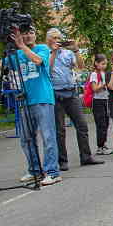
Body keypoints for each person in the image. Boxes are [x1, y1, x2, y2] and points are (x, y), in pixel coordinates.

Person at [0, 26, 61, 185]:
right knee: (26, 138)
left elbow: (38, 61)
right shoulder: (17, 54)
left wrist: (22, 46)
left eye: (31, 32)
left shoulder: (43, 48)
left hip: (42, 98)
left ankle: (53, 172)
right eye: (25, 33)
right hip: (25, 100)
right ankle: (35, 170)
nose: (28, 35)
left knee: (48, 136)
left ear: (36, 34)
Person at [46, 29, 103, 169]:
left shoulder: (67, 53)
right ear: (48, 40)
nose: (57, 40)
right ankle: (62, 161)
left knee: (82, 125)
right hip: (55, 93)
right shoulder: (45, 53)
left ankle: (86, 156)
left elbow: (81, 67)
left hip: (71, 92)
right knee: (59, 129)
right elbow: (47, 68)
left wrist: (76, 50)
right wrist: (53, 51)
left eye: (59, 37)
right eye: (54, 38)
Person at [88, 55, 111, 156]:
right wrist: (103, 85)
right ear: (96, 63)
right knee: (100, 124)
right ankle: (100, 147)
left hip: (105, 100)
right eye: (102, 64)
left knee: (106, 123)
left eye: (106, 64)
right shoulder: (94, 74)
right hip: (97, 101)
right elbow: (94, 88)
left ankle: (104, 144)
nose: (104, 66)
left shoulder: (104, 73)